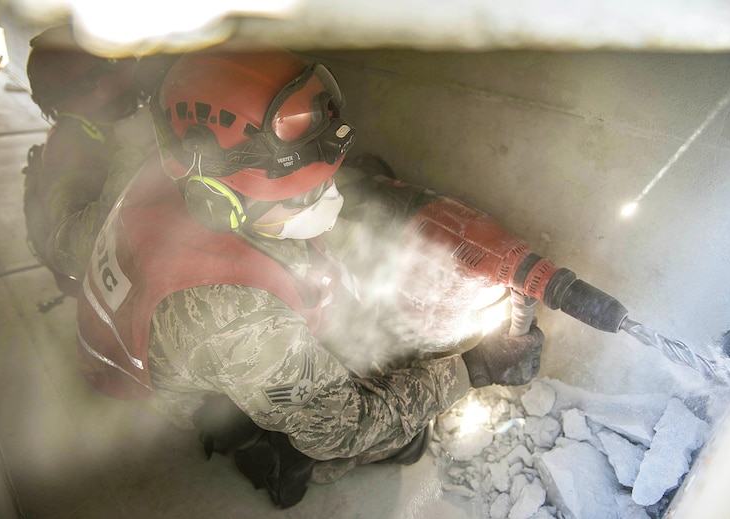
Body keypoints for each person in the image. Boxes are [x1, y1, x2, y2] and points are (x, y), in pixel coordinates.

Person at [74, 49, 545, 508]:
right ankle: (261, 449)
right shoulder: (236, 315)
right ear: (219, 201)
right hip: (206, 393)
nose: (331, 200)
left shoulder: (178, 162)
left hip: (202, 338)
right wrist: (474, 368)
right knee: (396, 438)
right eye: (308, 194)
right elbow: (342, 426)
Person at [22, 24, 157, 297]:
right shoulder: (69, 150)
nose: (137, 98)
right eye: (126, 97)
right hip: (105, 290)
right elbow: (72, 250)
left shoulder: (105, 121)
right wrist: (134, 153)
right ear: (87, 88)